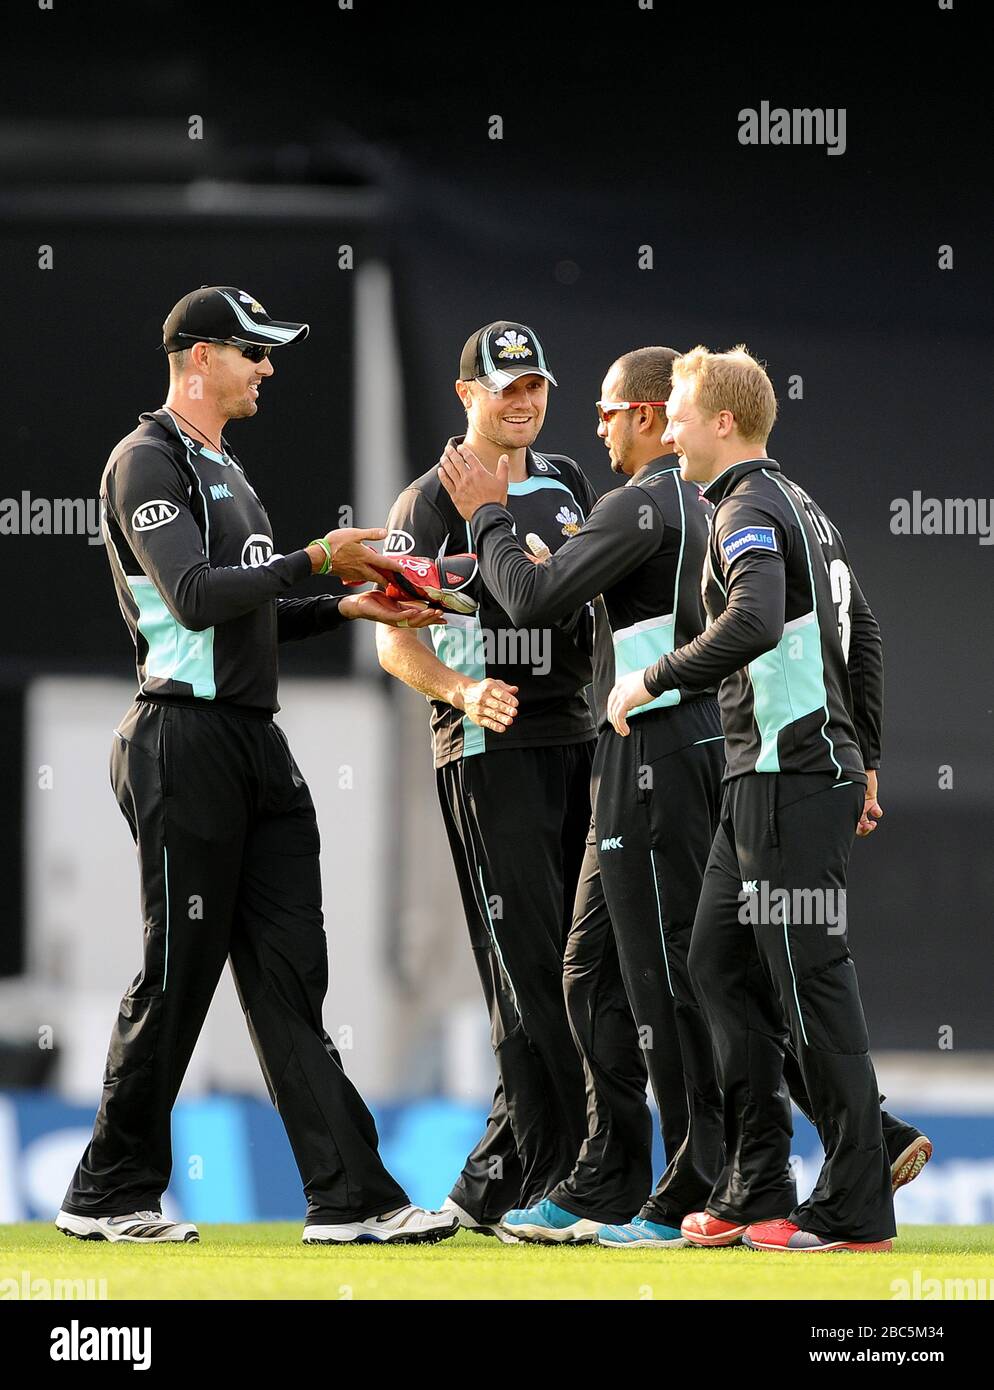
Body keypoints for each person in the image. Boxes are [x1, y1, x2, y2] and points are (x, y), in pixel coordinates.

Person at [56, 285, 457, 1247]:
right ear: (199, 357)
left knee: (289, 978)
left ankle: (351, 1199)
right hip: (180, 743)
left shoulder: (225, 469)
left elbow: (251, 613)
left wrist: (345, 609)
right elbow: (194, 598)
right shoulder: (145, 458)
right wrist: (321, 558)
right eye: (253, 352)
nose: (268, 367)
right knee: (178, 976)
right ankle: (108, 1194)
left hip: (250, 743)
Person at [608, 345, 918, 1252]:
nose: (666, 427)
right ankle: (755, 1183)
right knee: (716, 966)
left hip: (786, 781)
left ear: (723, 424)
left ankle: (858, 1203)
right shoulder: (799, 505)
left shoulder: (747, 507)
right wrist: (864, 758)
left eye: (678, 414)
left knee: (809, 979)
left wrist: (654, 678)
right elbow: (864, 632)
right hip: (771, 779)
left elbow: (750, 621)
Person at [438, 346, 725, 1248]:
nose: (589, 425)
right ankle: (625, 1173)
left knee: (663, 974)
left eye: (605, 410)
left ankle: (700, 1178)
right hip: (661, 753)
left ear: (644, 414)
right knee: (616, 971)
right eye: (512, 386)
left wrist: (485, 516)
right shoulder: (717, 505)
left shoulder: (635, 499)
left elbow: (529, 603)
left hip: (650, 757)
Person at [377, 321, 596, 1237]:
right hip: (488, 754)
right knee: (528, 971)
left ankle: (493, 1182)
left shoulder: (568, 480)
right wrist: (464, 690)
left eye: (535, 383)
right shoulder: (425, 502)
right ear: (466, 393)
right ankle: (562, 1170)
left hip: (578, 738)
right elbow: (396, 641)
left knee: (582, 969)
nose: (524, 400)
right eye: (505, 386)